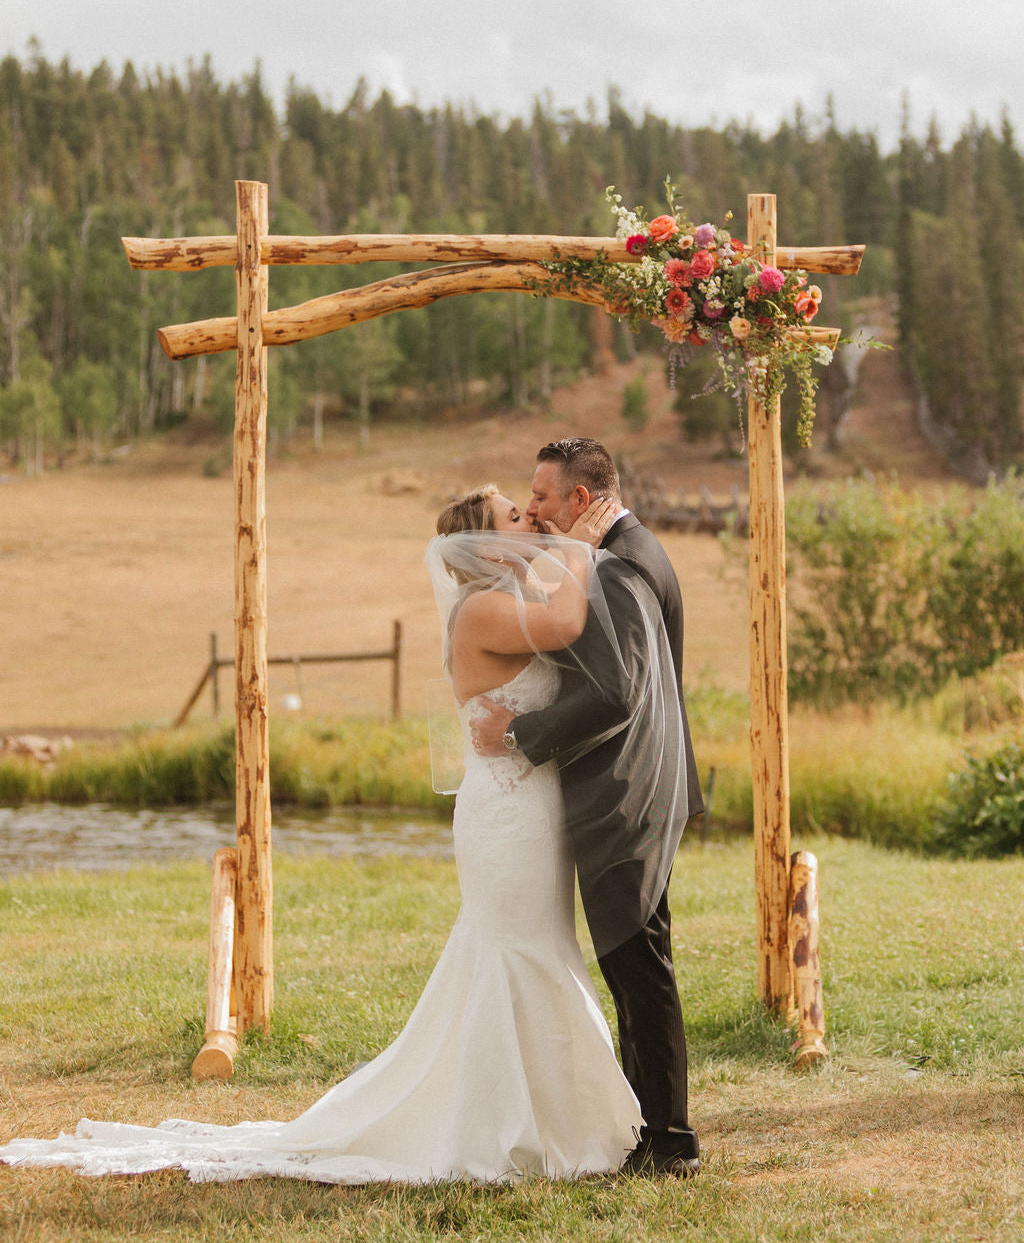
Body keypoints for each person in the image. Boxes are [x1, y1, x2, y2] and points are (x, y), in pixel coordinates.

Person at [0, 484, 669, 1185]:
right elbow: (566, 622)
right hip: (506, 816)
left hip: (528, 807)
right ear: (485, 543)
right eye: (512, 517)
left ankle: (550, 1120)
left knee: (533, 948)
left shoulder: (507, 602)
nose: (529, 521)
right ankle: (503, 1128)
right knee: (517, 953)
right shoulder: (483, 610)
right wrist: (584, 550)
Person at [471, 438, 704, 1178]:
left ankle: (670, 1142)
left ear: (579, 499)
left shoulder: (620, 564)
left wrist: (521, 733)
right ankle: (647, 1128)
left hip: (626, 791)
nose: (533, 507)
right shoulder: (625, 550)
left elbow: (615, 692)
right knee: (634, 962)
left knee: (639, 967)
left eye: (541, 495)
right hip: (638, 783)